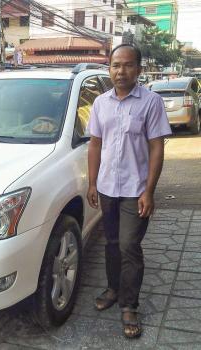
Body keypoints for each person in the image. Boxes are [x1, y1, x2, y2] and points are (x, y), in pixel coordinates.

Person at [86, 44, 171, 339]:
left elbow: (156, 147)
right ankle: (113, 288)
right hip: (108, 187)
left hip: (136, 189)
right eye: (115, 65)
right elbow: (95, 144)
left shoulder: (151, 102)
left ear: (138, 69)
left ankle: (129, 304)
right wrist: (93, 183)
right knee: (111, 243)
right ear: (109, 68)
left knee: (129, 246)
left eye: (127, 65)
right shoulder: (100, 103)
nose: (120, 71)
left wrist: (149, 191)